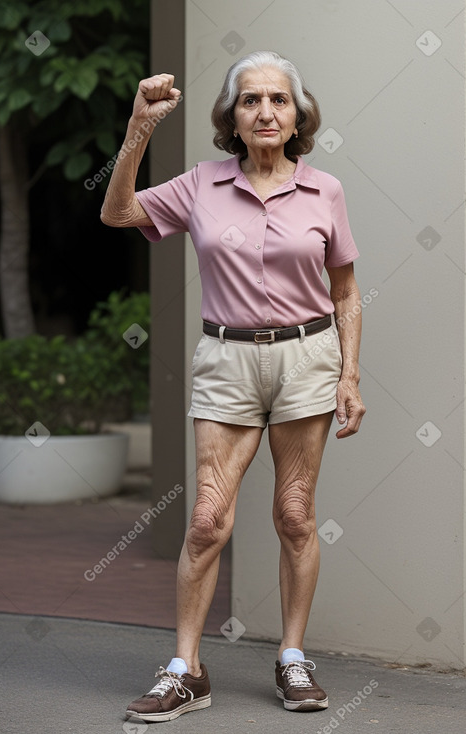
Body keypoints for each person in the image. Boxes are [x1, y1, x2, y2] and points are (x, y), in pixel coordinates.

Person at [101, 50, 365, 723]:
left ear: (297, 114)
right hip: (227, 360)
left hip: (308, 357)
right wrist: (139, 127)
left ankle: (292, 657)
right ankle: (186, 669)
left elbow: (345, 292)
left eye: (278, 99)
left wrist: (349, 375)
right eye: (250, 100)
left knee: (295, 516)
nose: (265, 111)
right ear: (232, 116)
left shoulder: (324, 190)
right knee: (206, 521)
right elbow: (119, 213)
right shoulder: (201, 185)